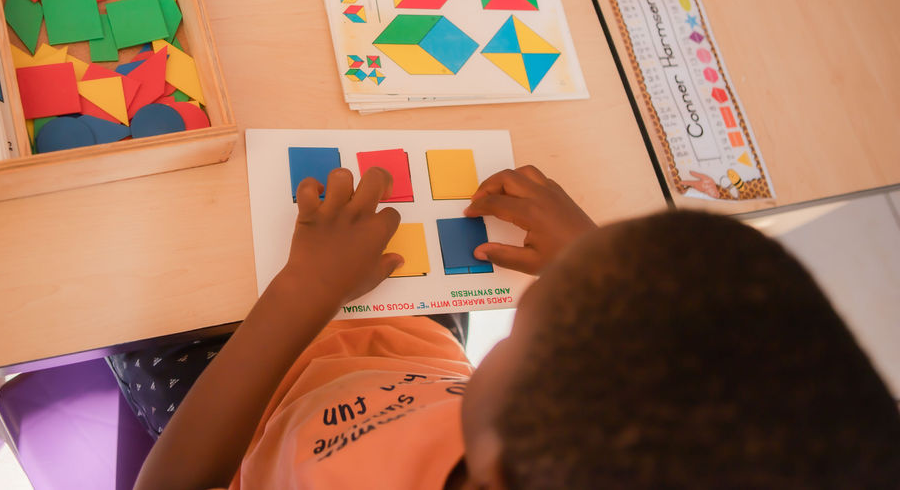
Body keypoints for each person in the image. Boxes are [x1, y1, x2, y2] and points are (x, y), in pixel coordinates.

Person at [124, 165, 900, 489]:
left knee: (130, 295)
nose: (535, 300)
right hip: (407, 348)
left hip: (236, 408)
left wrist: (303, 292)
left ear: (492, 459)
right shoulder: (558, 449)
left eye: (531, 323)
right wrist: (597, 263)